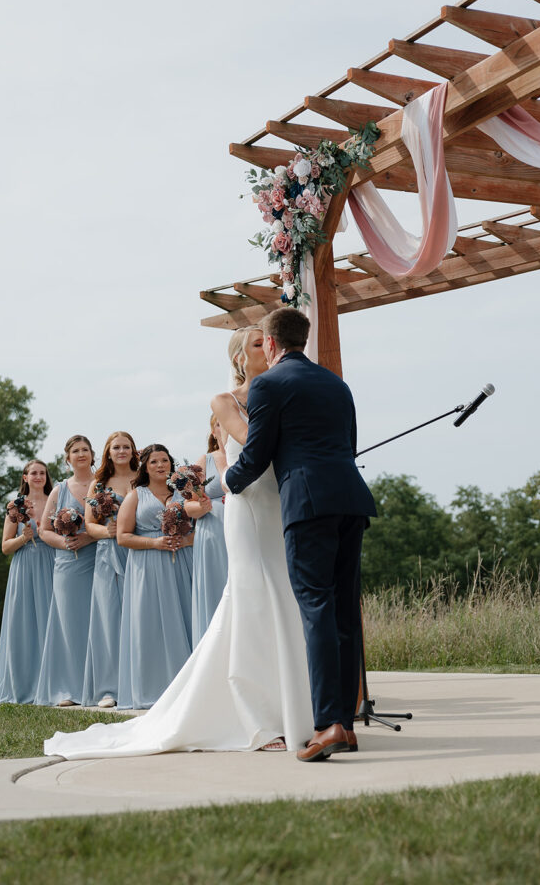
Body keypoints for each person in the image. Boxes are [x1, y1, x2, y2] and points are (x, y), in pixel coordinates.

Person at [43, 327, 313, 759]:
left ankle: (296, 703)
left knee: (286, 597)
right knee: (251, 597)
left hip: (281, 503)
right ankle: (254, 713)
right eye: (259, 344)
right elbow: (254, 445)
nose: (270, 348)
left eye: (270, 341)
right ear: (241, 358)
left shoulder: (286, 391)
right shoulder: (227, 402)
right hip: (246, 506)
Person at [225, 307, 376, 762]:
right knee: (345, 614)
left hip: (308, 506)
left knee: (316, 609)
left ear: (270, 343)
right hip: (351, 499)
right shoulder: (337, 384)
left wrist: (225, 487)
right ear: (304, 340)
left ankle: (327, 723)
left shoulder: (270, 384)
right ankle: (345, 726)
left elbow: (256, 455)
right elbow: (348, 445)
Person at [115, 443, 194, 710]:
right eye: (154, 462)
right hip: (147, 566)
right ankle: (151, 688)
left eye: (164, 461)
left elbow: (200, 528)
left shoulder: (184, 493)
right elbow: (122, 536)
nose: (160, 466)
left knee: (183, 619)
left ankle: (186, 688)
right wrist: (154, 543)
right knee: (149, 624)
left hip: (181, 563)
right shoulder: (136, 495)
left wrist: (187, 541)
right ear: (145, 467)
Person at [34, 435, 97, 707]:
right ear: (67, 458)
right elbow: (44, 530)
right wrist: (65, 542)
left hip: (100, 557)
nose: (80, 454)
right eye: (75, 451)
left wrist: (89, 538)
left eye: (85, 450)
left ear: (92, 455)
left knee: (101, 621)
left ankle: (102, 685)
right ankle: (69, 689)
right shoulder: (59, 490)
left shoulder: (102, 484)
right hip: (68, 563)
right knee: (70, 623)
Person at [81, 431, 138, 709]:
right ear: (108, 452)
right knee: (108, 619)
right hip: (107, 555)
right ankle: (109, 688)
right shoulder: (98, 484)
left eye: (126, 446)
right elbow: (89, 525)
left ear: (133, 450)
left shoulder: (143, 478)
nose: (122, 451)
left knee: (139, 616)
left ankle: (140, 680)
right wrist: (107, 531)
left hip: (140, 553)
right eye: (116, 447)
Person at [0, 460, 55, 704]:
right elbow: (5, 547)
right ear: (25, 477)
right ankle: (24, 686)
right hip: (25, 566)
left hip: (52, 563)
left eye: (42, 472)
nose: (38, 476)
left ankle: (52, 682)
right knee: (25, 622)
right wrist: (24, 538)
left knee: (51, 621)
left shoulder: (55, 500)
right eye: (33, 473)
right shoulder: (16, 505)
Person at [185, 416, 228, 648]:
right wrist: (200, 507)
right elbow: (188, 505)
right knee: (216, 590)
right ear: (213, 431)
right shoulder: (205, 460)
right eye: (220, 424)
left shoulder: (249, 457)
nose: (226, 428)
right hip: (212, 533)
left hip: (245, 531)